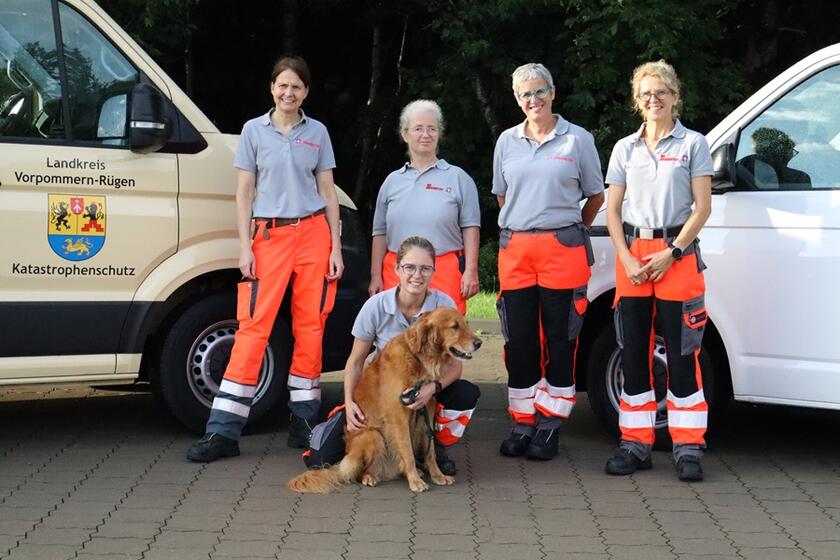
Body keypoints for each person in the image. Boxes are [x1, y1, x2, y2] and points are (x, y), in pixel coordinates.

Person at [187, 56, 343, 462]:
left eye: (296, 87)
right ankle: (223, 432)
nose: (288, 92)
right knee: (254, 327)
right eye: (282, 85)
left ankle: (304, 420)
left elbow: (328, 192)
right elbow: (244, 193)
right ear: (272, 88)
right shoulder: (253, 131)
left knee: (311, 326)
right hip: (268, 236)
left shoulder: (318, 132)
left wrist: (336, 249)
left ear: (306, 92)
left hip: (313, 235)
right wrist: (245, 247)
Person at [603, 60, 713, 481]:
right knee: (633, 354)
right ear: (638, 100)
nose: (654, 99)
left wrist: (673, 250)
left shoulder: (694, 144)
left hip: (677, 254)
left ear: (674, 95)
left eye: (661, 91)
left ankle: (688, 447)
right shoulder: (624, 149)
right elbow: (612, 211)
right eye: (646, 94)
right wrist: (627, 256)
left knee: (683, 354)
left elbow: (703, 208)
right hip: (633, 254)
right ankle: (635, 444)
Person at [492, 63, 605, 460]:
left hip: (563, 247)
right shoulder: (506, 141)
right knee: (519, 340)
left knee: (561, 339)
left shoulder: (578, 140)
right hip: (517, 249)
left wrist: (567, 227)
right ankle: (523, 422)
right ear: (516, 99)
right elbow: (503, 197)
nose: (533, 100)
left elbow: (595, 196)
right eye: (525, 94)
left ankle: (550, 424)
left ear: (553, 92)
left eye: (540, 91)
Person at [345, 236, 480, 475]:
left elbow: (456, 368)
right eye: (410, 267)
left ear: (433, 271)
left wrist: (432, 389)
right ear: (397, 269)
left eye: (425, 268)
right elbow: (355, 362)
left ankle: (435, 449)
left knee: (465, 393)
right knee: (322, 456)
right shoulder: (375, 306)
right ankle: (400, 461)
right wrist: (349, 404)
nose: (417, 275)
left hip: (430, 383)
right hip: (386, 387)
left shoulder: (443, 305)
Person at [369, 100, 481, 314]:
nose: (425, 134)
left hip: (444, 270)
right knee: (398, 339)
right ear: (405, 134)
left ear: (439, 133)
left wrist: (471, 272)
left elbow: (471, 228)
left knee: (444, 338)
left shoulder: (458, 178)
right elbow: (379, 233)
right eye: (418, 128)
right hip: (397, 271)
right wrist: (375, 276)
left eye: (432, 128)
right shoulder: (391, 181)